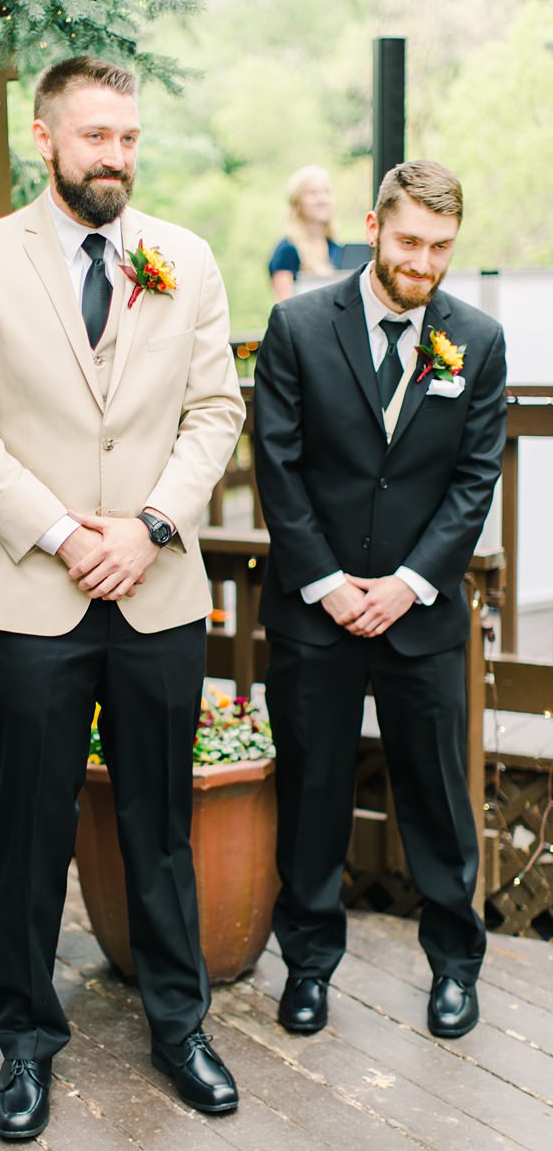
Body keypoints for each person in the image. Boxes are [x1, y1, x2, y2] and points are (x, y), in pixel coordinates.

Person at [0, 56, 246, 1141]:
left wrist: (148, 526)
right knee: (30, 829)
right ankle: (25, 1043)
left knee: (161, 825)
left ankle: (178, 1023)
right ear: (44, 136)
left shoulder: (185, 260)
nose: (115, 156)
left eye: (128, 138)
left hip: (156, 591)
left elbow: (214, 411)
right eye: (95, 135)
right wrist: (68, 534)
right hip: (34, 595)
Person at [253, 159, 506, 1040]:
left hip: (421, 614)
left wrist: (404, 586)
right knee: (313, 792)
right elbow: (276, 470)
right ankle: (309, 967)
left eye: (441, 247)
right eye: (409, 242)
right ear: (372, 226)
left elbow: (475, 482)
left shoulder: (477, 337)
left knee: (436, 801)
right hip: (314, 613)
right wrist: (329, 586)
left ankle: (454, 968)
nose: (424, 262)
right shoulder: (295, 326)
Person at [269, 165, 343, 302]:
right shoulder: (287, 249)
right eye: (312, 193)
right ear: (297, 202)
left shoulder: (335, 247)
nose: (322, 199)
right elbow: (285, 307)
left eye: (327, 192)